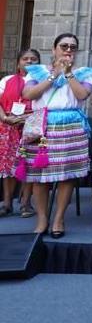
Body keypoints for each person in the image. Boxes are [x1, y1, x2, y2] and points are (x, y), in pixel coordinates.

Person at [20, 34, 92, 237]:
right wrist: (54, 74)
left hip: (71, 126)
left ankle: (59, 219)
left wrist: (69, 73)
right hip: (43, 127)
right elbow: (29, 95)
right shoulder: (36, 72)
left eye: (73, 47)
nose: (68, 50)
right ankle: (42, 219)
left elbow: (82, 95)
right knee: (40, 176)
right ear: (54, 49)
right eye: (64, 46)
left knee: (67, 175)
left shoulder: (85, 73)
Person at [0, 49, 40, 217]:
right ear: (18, 63)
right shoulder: (6, 80)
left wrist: (27, 118)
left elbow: (45, 105)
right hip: (8, 127)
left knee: (29, 166)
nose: (29, 62)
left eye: (33, 59)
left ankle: (25, 203)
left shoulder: (42, 81)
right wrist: (4, 118)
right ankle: (7, 203)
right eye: (25, 59)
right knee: (9, 167)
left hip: (31, 129)